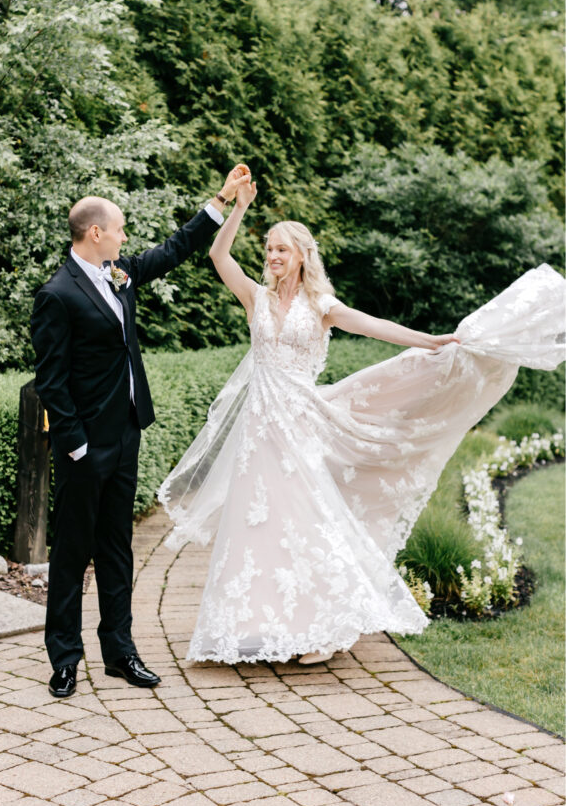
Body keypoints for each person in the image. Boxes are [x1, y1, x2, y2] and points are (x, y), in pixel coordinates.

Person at [159, 178, 566, 666]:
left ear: (302, 255)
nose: (272, 256)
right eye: (269, 249)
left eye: (281, 249)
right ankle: (259, 626)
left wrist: (430, 341)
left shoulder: (321, 306)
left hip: (302, 425)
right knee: (258, 524)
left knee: (308, 522)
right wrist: (237, 208)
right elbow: (218, 257)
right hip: (259, 431)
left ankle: (330, 627)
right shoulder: (257, 299)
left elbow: (374, 325)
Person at [31, 166, 252, 697]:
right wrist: (77, 445)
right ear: (95, 234)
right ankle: (64, 658)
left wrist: (221, 197)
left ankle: (120, 653)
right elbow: (52, 382)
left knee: (116, 549)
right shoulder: (57, 294)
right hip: (84, 447)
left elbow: (174, 249)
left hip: (126, 434)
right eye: (121, 229)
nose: (127, 237)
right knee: (71, 553)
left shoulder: (120, 273)